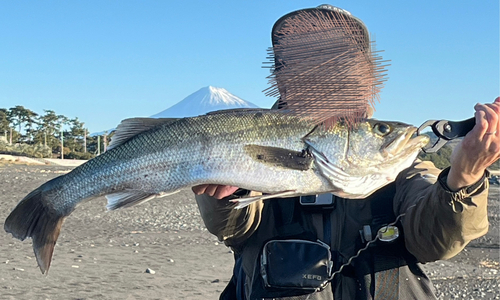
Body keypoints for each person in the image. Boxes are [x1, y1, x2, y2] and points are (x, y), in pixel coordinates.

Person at [193, 5, 500, 300]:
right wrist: (220, 196)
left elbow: (435, 242)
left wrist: (465, 175)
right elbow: (231, 229)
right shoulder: (245, 134)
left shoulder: (401, 165)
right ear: (283, 81)